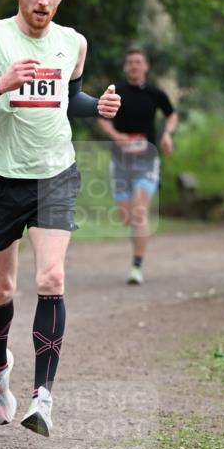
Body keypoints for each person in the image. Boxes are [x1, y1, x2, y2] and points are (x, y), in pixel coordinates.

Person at [0, 0, 120, 437]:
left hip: (54, 175)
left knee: (52, 276)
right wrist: (0, 84)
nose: (44, 1)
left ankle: (43, 397)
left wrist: (97, 106)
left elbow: (69, 99)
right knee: (2, 290)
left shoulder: (74, 43)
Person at [97, 47, 177, 284]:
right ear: (125, 66)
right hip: (121, 161)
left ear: (146, 66)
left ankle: (136, 266)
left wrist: (167, 134)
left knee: (139, 212)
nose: (134, 66)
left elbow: (171, 114)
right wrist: (115, 135)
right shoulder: (116, 91)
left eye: (138, 62)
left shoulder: (155, 93)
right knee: (126, 217)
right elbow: (101, 117)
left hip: (146, 159)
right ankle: (137, 240)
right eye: (130, 62)